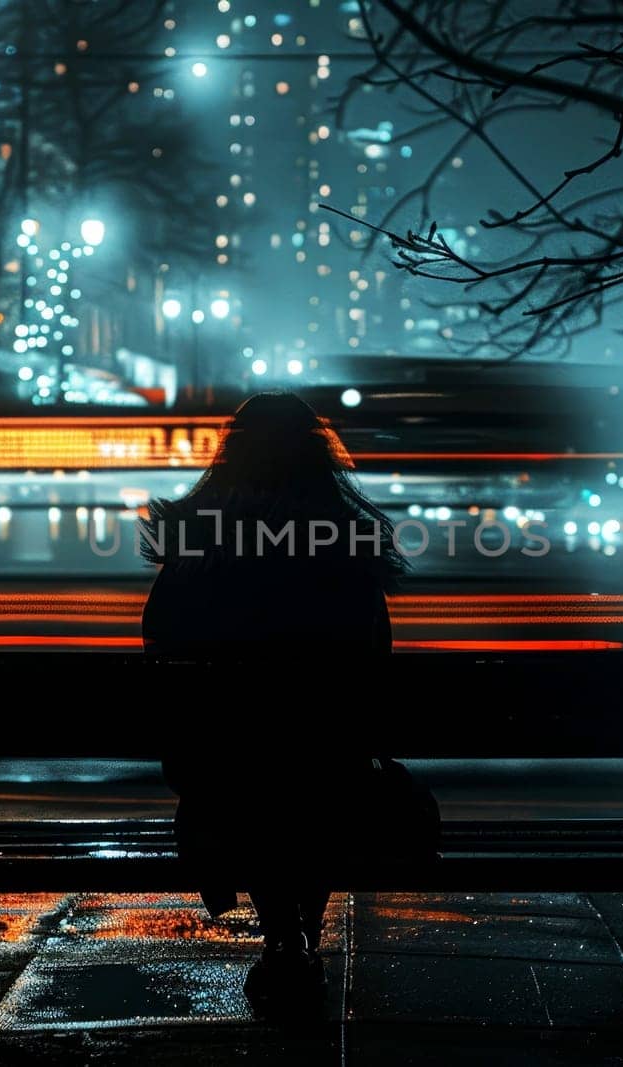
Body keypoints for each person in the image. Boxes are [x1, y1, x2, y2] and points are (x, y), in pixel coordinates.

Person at [139, 392, 430, 1015]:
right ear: (317, 459)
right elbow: (375, 657)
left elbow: (159, 642)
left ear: (231, 456)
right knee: (315, 777)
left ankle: (283, 938)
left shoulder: (195, 546)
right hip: (327, 765)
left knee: (253, 780)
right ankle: (298, 934)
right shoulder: (346, 546)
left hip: (222, 770)